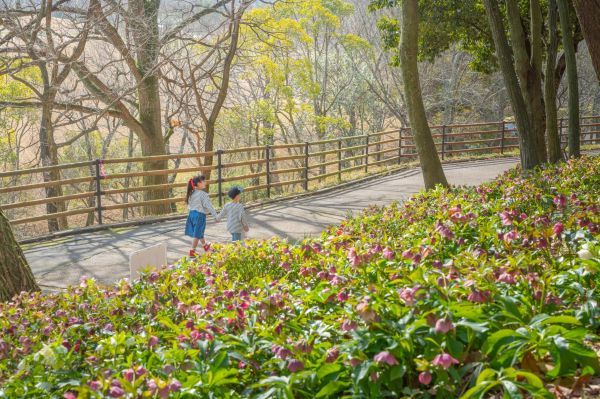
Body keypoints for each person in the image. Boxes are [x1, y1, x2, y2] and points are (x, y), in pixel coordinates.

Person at [185, 175, 218, 256]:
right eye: (204, 181)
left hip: (192, 214)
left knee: (199, 231)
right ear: (199, 183)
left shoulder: (191, 193)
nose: (205, 182)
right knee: (197, 233)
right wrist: (215, 216)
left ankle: (205, 246)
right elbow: (209, 206)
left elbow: (189, 205)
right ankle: (192, 251)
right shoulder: (203, 194)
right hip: (199, 215)